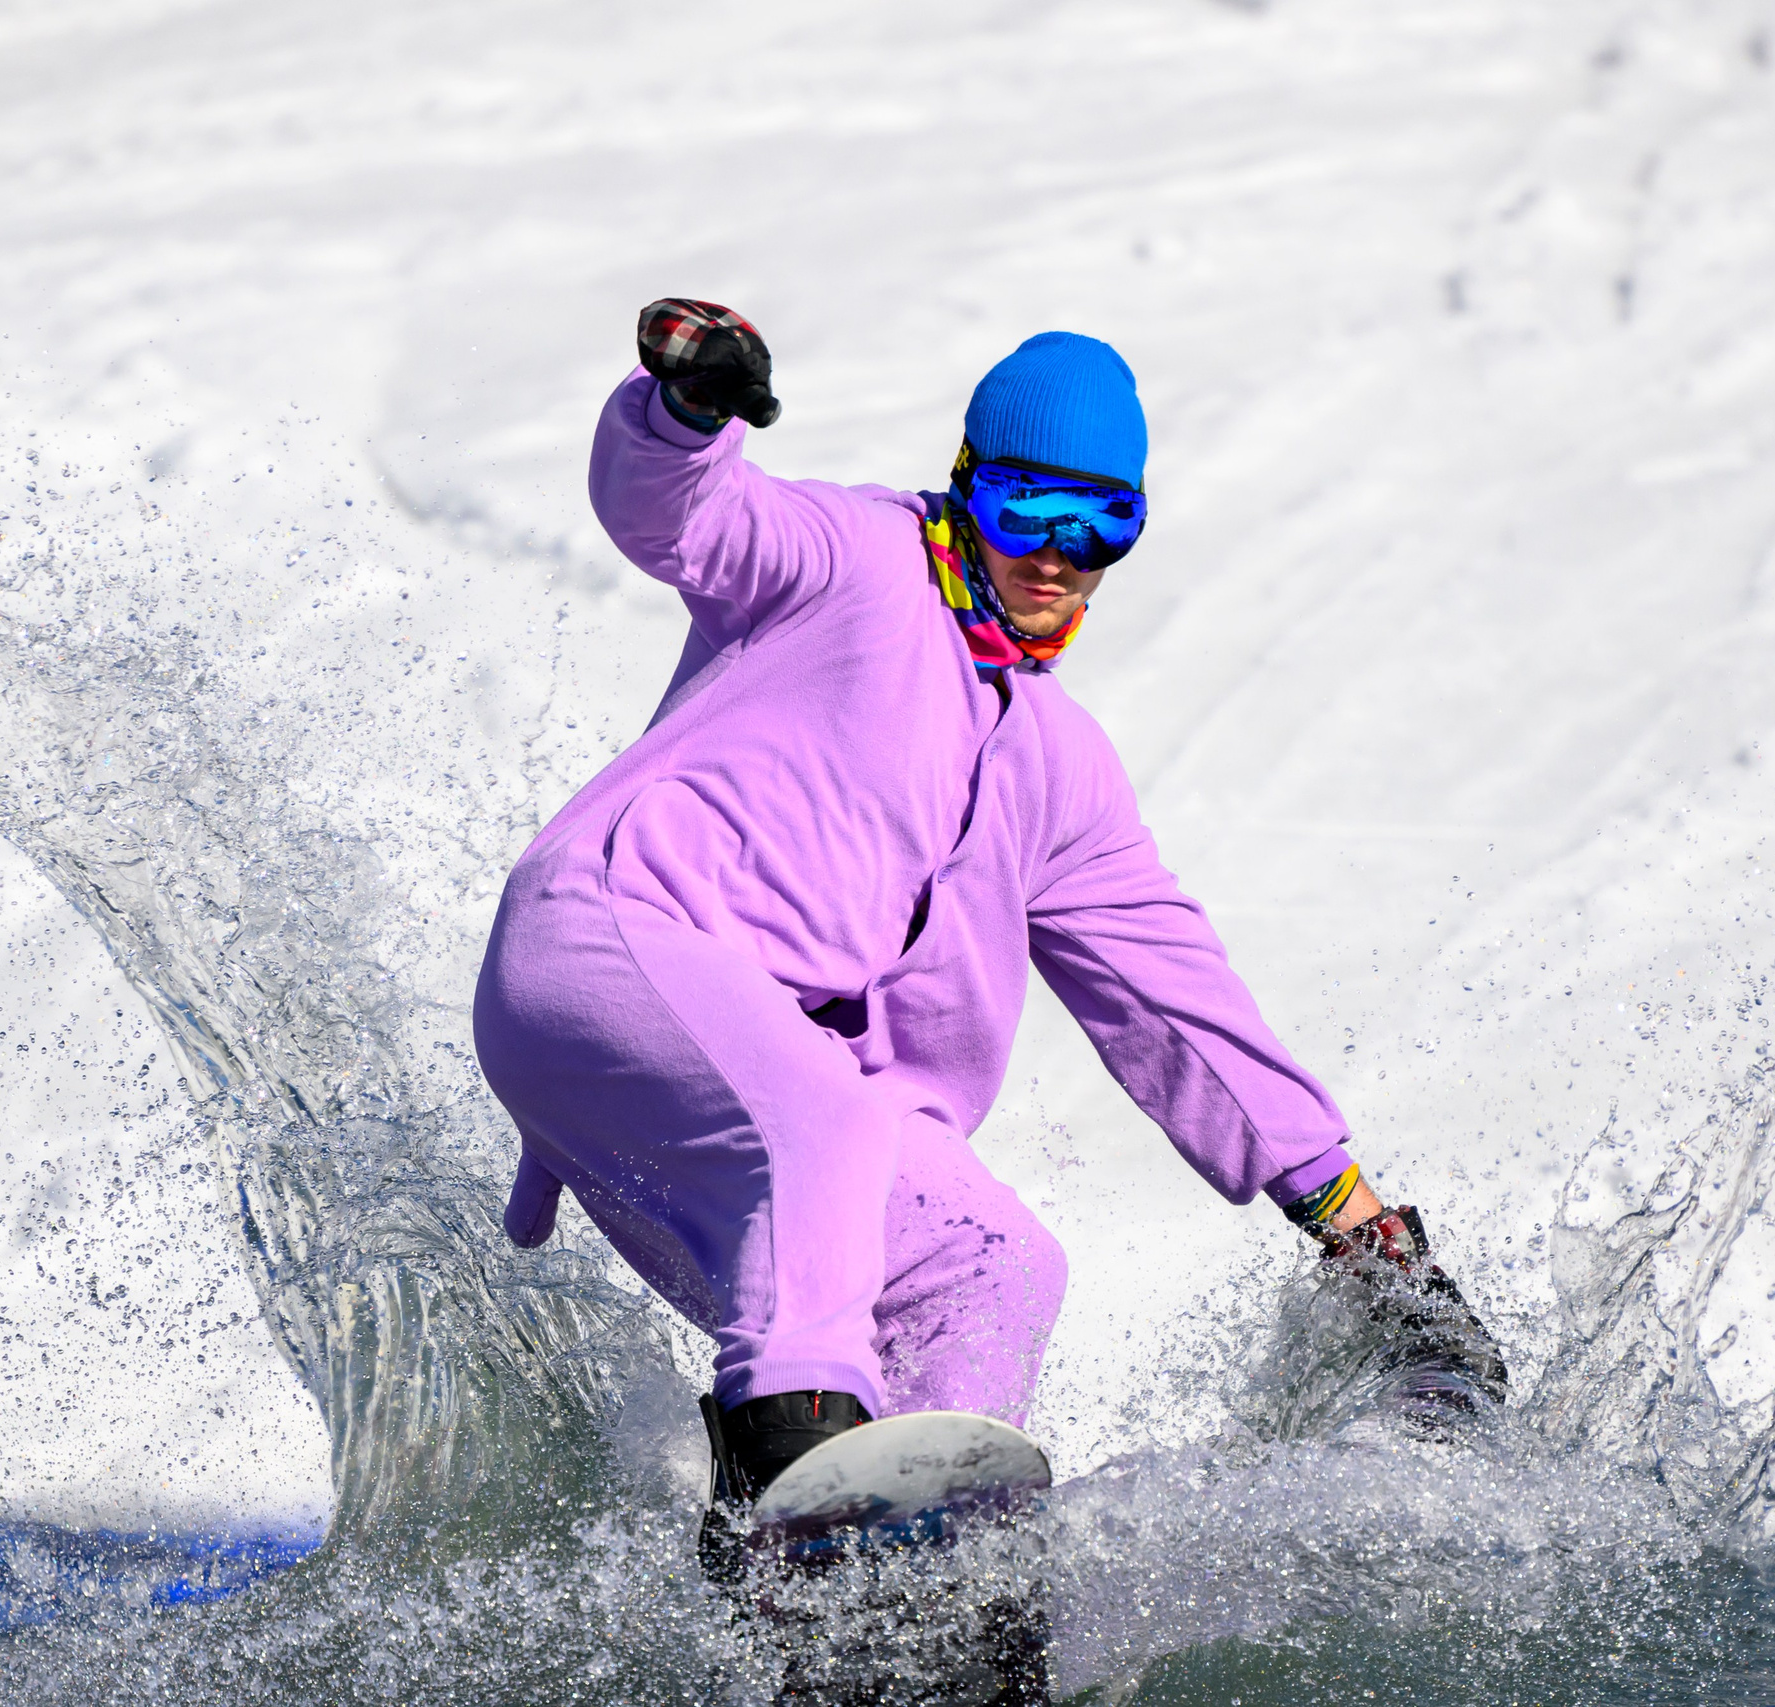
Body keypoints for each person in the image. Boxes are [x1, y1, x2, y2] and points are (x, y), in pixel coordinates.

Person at [472, 299, 1507, 1523]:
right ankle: (796, 1486)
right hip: (604, 948)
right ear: (968, 487)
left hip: (752, 1079)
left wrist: (1359, 1230)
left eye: (1100, 523)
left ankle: (943, 1569)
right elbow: (685, 518)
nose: (1057, 553)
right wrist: (686, 414)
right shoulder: (854, 561)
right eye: (1027, 509)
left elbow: (1175, 1003)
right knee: (827, 1128)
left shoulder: (1056, 767)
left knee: (995, 1262)